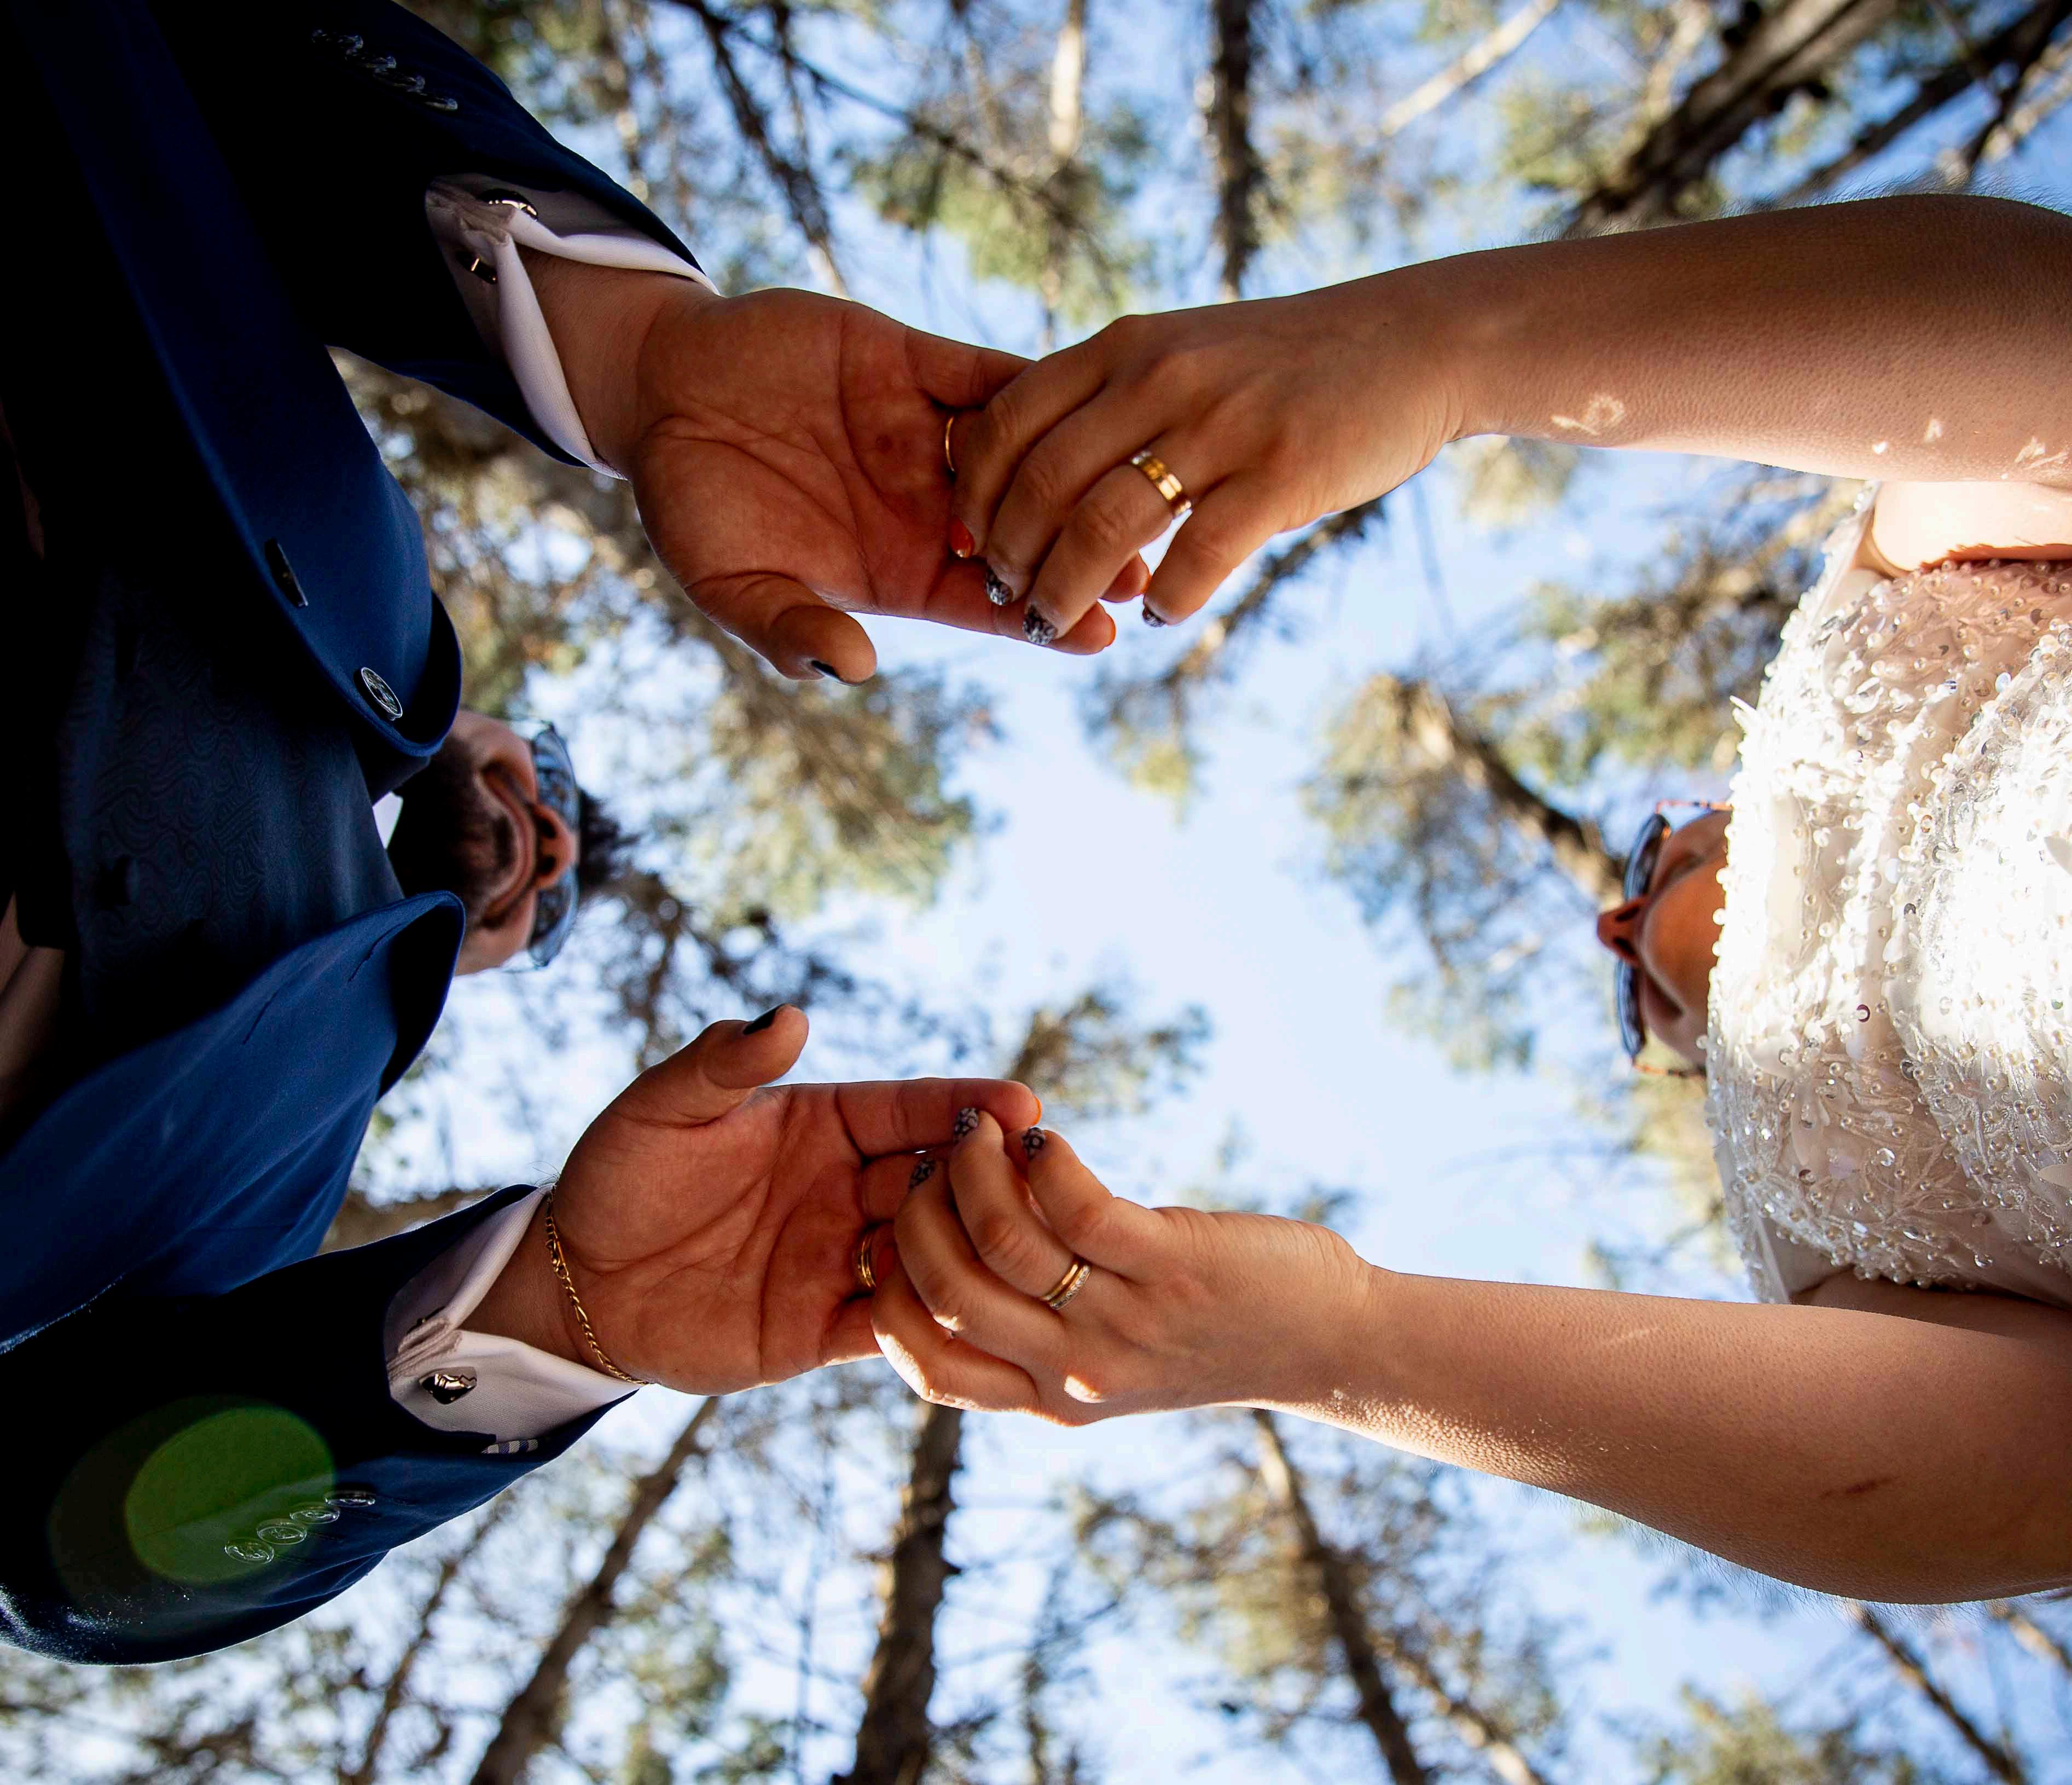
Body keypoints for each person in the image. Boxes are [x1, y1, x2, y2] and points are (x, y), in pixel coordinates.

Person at [0, 0, 1065, 1663]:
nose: (546, 849)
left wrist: (558, 1319)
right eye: (549, 791)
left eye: (549, 899)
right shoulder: (347, 541)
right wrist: (637, 349)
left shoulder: (272, 1182)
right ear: (488, 724)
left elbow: (54, 1542)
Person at [881, 194, 2072, 1603]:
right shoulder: (1813, 1262)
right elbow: (2037, 1476)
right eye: (1633, 1005)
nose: (1615, 926)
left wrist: (1433, 350)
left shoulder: (1882, 605)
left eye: (1651, 854)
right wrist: (1332, 1343)